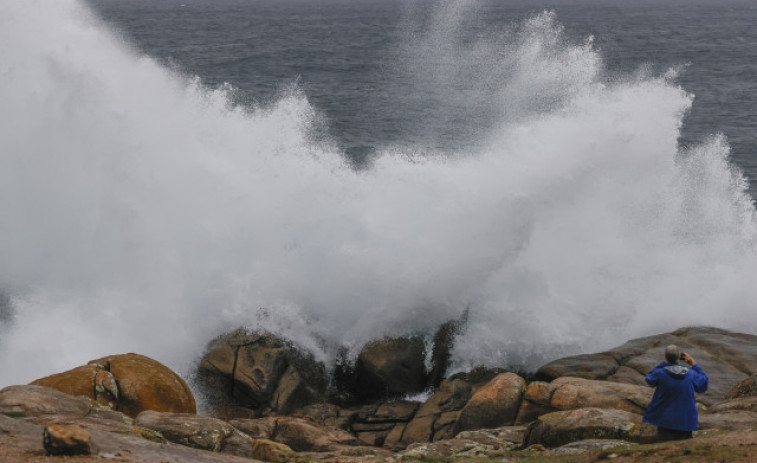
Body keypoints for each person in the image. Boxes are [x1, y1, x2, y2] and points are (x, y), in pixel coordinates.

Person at [642, 345, 709, 442]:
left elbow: (649, 378)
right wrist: (693, 364)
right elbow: (704, 383)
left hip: (664, 419)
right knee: (683, 450)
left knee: (664, 449)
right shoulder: (691, 374)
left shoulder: (660, 373)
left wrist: (663, 363)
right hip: (686, 420)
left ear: (666, 358)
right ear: (679, 357)